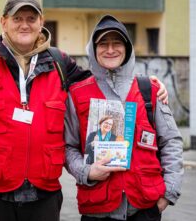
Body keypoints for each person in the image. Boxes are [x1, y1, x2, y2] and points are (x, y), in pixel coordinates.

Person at [0, 0, 168, 221]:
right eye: (17, 18)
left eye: (31, 19)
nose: (24, 25)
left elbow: (102, 84)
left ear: (41, 23)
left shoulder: (60, 64)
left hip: (43, 199)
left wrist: (147, 83)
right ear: (4, 22)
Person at [65, 15, 183, 221]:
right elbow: (67, 146)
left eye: (117, 43)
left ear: (127, 48)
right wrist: (86, 171)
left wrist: (168, 194)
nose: (110, 50)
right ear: (93, 49)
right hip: (98, 209)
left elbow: (171, 141)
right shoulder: (76, 94)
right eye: (103, 43)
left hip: (144, 208)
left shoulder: (150, 90)